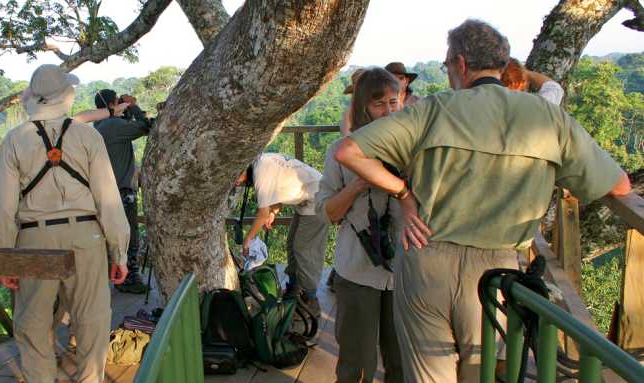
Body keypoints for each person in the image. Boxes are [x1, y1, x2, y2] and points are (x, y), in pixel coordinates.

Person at [335, 19, 631, 382]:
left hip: (427, 255)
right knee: (483, 371)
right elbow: (618, 186)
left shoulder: (434, 110)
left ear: (460, 64)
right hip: (497, 266)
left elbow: (348, 150)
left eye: (446, 65)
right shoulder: (547, 117)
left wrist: (403, 194)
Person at [0, 64, 130, 383]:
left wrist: (3, 256)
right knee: (91, 319)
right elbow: (108, 199)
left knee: (33, 323)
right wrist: (119, 251)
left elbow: (2, 208)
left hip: (34, 239)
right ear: (66, 95)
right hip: (86, 235)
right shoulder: (87, 135)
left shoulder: (15, 139)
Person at [317, 67, 404, 383]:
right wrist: (357, 185)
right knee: (356, 361)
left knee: (403, 361)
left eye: (394, 102)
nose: (388, 111)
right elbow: (327, 213)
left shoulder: (412, 149)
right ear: (362, 107)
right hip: (357, 267)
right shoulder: (342, 152)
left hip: (405, 269)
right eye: (379, 104)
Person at [234, 153, 327, 314]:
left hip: (318, 199)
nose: (237, 183)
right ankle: (294, 289)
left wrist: (248, 239)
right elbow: (278, 187)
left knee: (305, 251)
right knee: (292, 244)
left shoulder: (259, 173)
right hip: (307, 198)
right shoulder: (261, 162)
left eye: (237, 177)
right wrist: (274, 213)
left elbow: (262, 213)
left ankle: (310, 300)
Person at [93, 89, 154, 294]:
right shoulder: (113, 125)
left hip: (105, 191)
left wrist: (124, 109)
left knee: (109, 237)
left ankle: (112, 276)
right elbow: (147, 126)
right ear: (112, 105)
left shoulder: (99, 126)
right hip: (121, 190)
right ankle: (129, 279)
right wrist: (133, 105)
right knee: (129, 236)